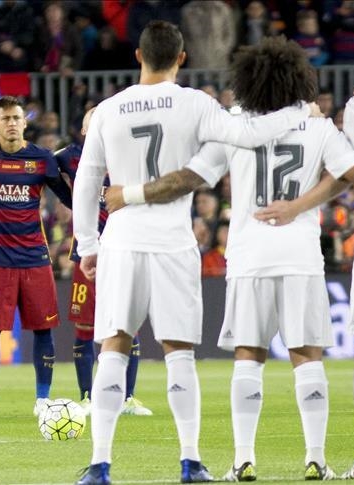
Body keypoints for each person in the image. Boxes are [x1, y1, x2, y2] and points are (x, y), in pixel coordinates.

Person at [102, 35, 354, 483]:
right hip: (300, 256)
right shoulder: (317, 126)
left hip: (249, 257)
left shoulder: (234, 127)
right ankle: (316, 458)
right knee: (307, 356)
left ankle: (244, 459)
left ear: (248, 80)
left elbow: (190, 177)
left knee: (249, 356)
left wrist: (131, 192)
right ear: (300, 79)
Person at [71, 20, 315, 485]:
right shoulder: (196, 104)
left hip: (121, 238)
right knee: (178, 352)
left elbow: (87, 180)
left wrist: (87, 243)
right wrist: (299, 111)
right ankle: (190, 461)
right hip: (172, 240)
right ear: (182, 58)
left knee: (114, 347)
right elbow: (249, 134)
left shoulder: (108, 109)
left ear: (139, 56)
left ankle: (100, 464)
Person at [0, 96, 73, 419]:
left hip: (35, 258)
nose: (11, 123)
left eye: (16, 118)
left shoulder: (42, 159)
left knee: (43, 329)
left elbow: (68, 196)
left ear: (25, 122)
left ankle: (43, 399)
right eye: (5, 118)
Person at [54, 108, 152, 417]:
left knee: (128, 324)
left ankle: (127, 398)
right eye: (92, 124)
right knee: (84, 324)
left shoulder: (130, 155)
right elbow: (40, 167)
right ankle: (86, 396)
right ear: (84, 131)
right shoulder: (68, 157)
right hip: (87, 253)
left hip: (124, 250)